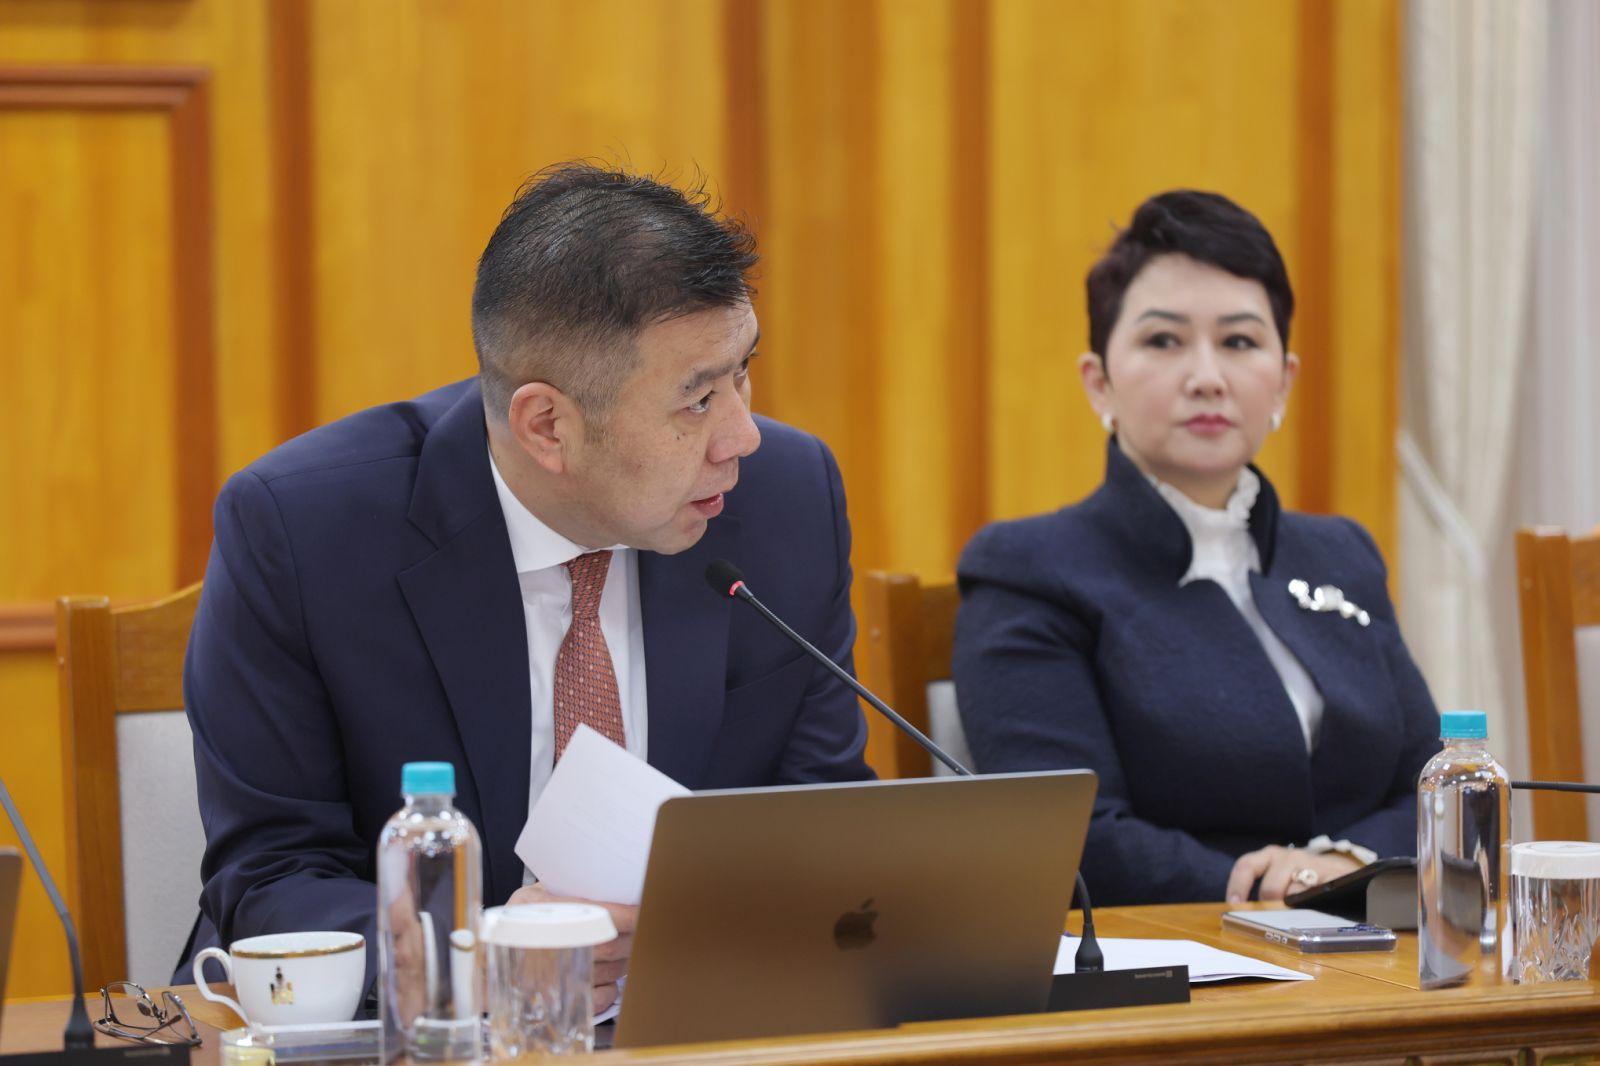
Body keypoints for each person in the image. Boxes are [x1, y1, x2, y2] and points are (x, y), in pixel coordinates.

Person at [180, 163, 873, 1009]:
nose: (742, 436)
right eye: (696, 400)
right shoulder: (303, 532)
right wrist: (479, 959)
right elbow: (270, 876)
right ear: (547, 425)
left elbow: (820, 819)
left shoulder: (786, 502)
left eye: (742, 372)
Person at [951, 190, 1440, 907]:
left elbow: (1433, 786)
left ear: (1284, 380)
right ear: (1099, 383)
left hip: (1376, 944)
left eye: (1240, 342)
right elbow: (1071, 834)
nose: (1207, 377)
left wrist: (1343, 862)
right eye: (1163, 341)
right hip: (1176, 951)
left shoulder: (1341, 554)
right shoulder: (1028, 570)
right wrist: (1273, 890)